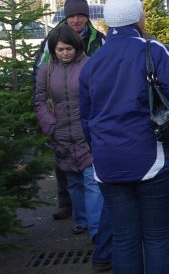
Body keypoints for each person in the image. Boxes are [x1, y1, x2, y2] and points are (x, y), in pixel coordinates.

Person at [79, 0, 169, 274]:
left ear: (108, 24)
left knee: (123, 238)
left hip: (107, 163)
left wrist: (100, 149)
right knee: (156, 237)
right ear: (139, 18)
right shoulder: (152, 50)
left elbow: (85, 117)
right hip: (153, 160)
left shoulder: (91, 63)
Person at [33, 25, 112, 272]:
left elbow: (101, 95)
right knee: (73, 181)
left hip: (86, 132)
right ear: (54, 50)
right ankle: (81, 220)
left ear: (76, 47)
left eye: (68, 48)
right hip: (60, 134)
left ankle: (97, 230)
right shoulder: (45, 71)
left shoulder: (89, 65)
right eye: (60, 49)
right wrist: (49, 124)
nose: (64, 53)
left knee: (91, 180)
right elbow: (39, 100)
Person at [33, 0, 106, 221]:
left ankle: (95, 220)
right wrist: (48, 121)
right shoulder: (51, 41)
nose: (76, 20)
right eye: (72, 15)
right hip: (61, 120)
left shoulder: (98, 40)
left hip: (85, 120)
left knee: (90, 173)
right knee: (66, 168)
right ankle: (69, 207)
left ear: (86, 16)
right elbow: (40, 76)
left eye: (80, 15)